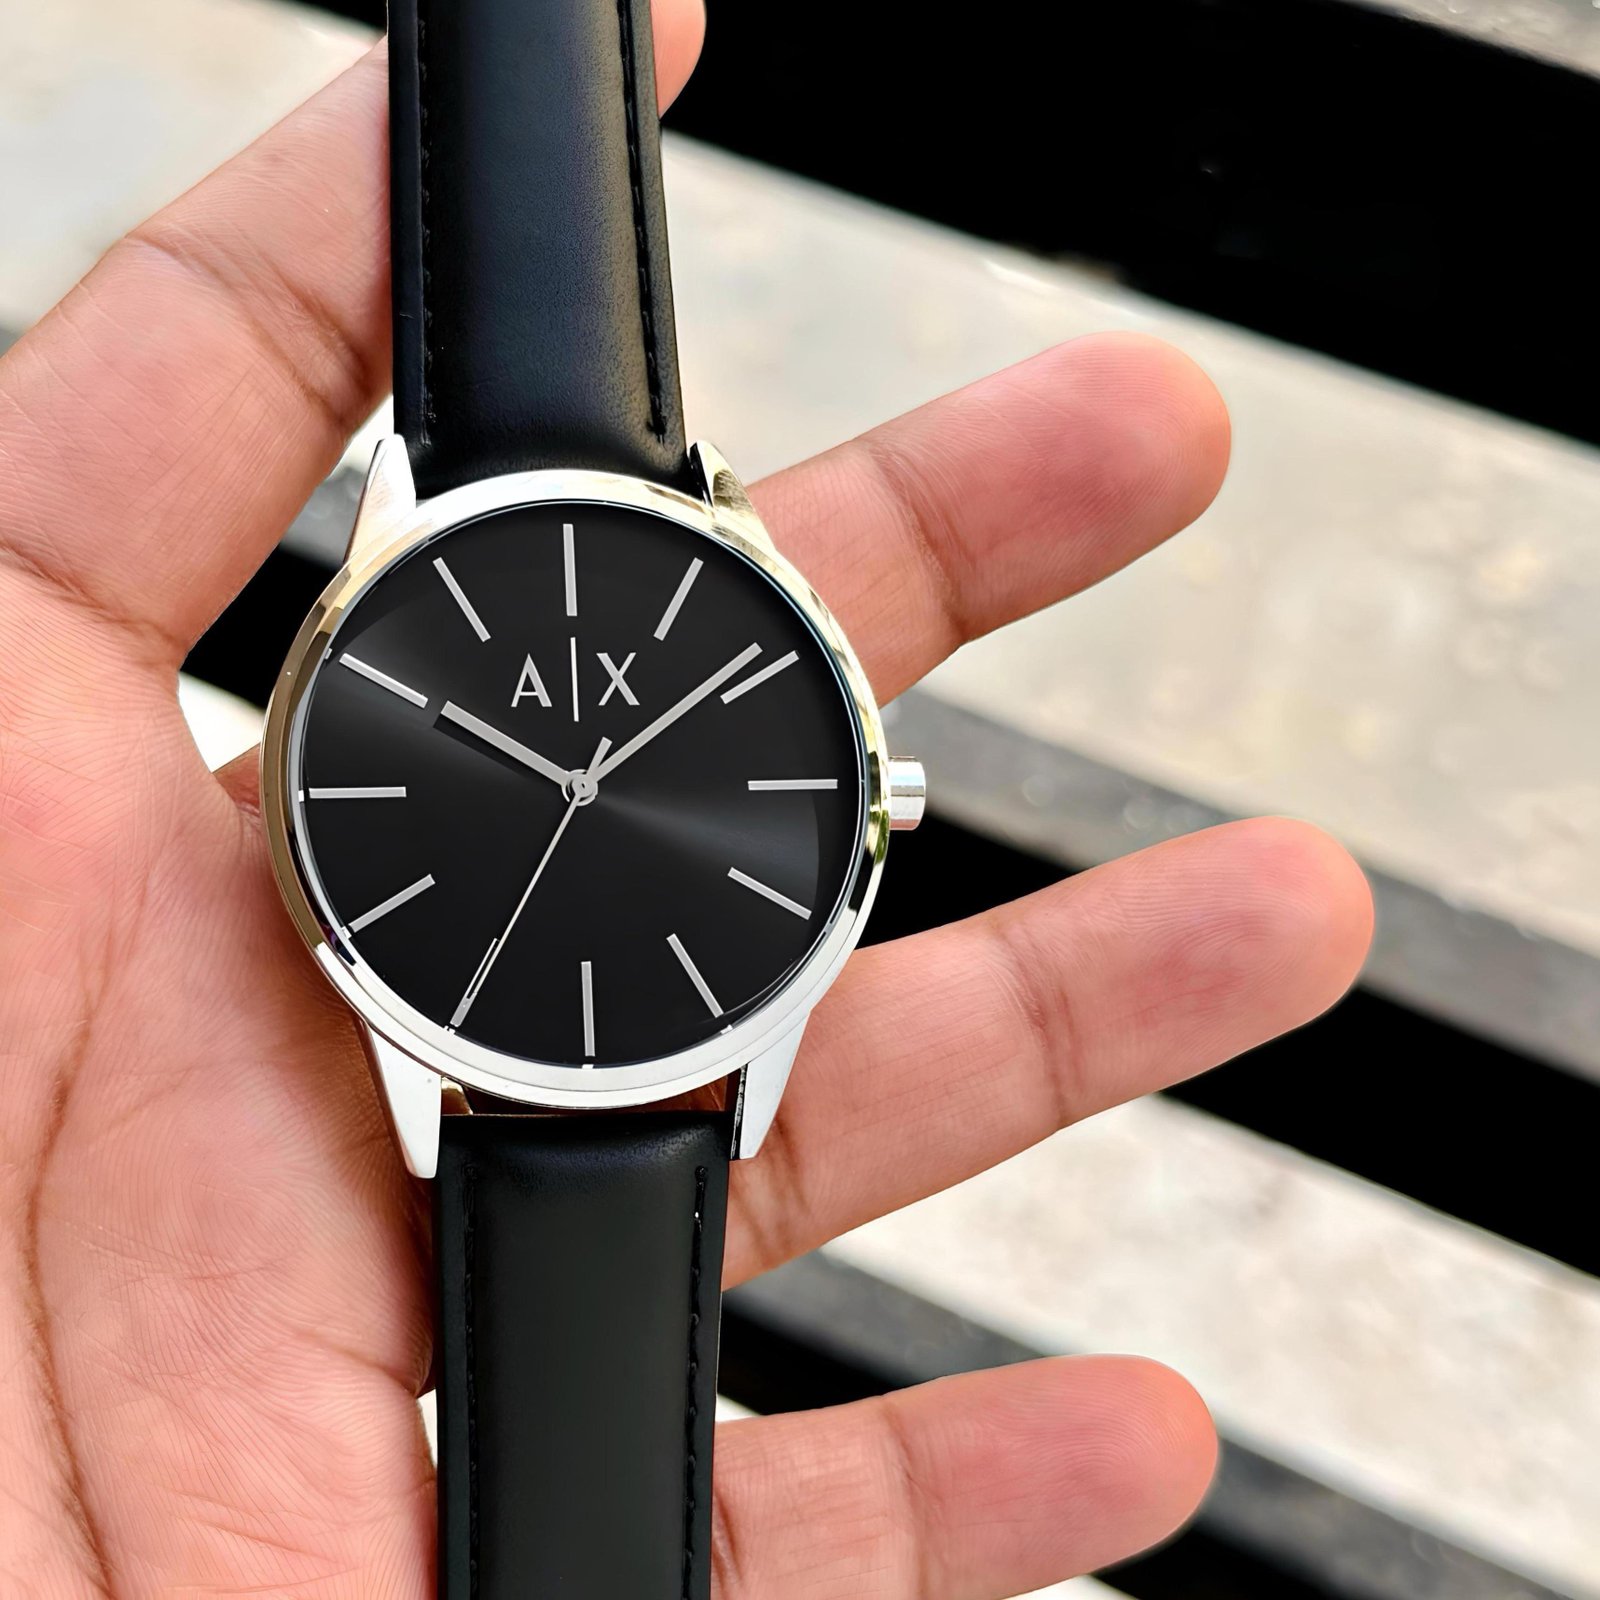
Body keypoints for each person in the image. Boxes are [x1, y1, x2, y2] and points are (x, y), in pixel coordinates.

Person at [0, 8, 1372, 1594]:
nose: (586, 781)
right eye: (567, 775)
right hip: (483, 1033)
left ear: (870, 796)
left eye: (602, 775)